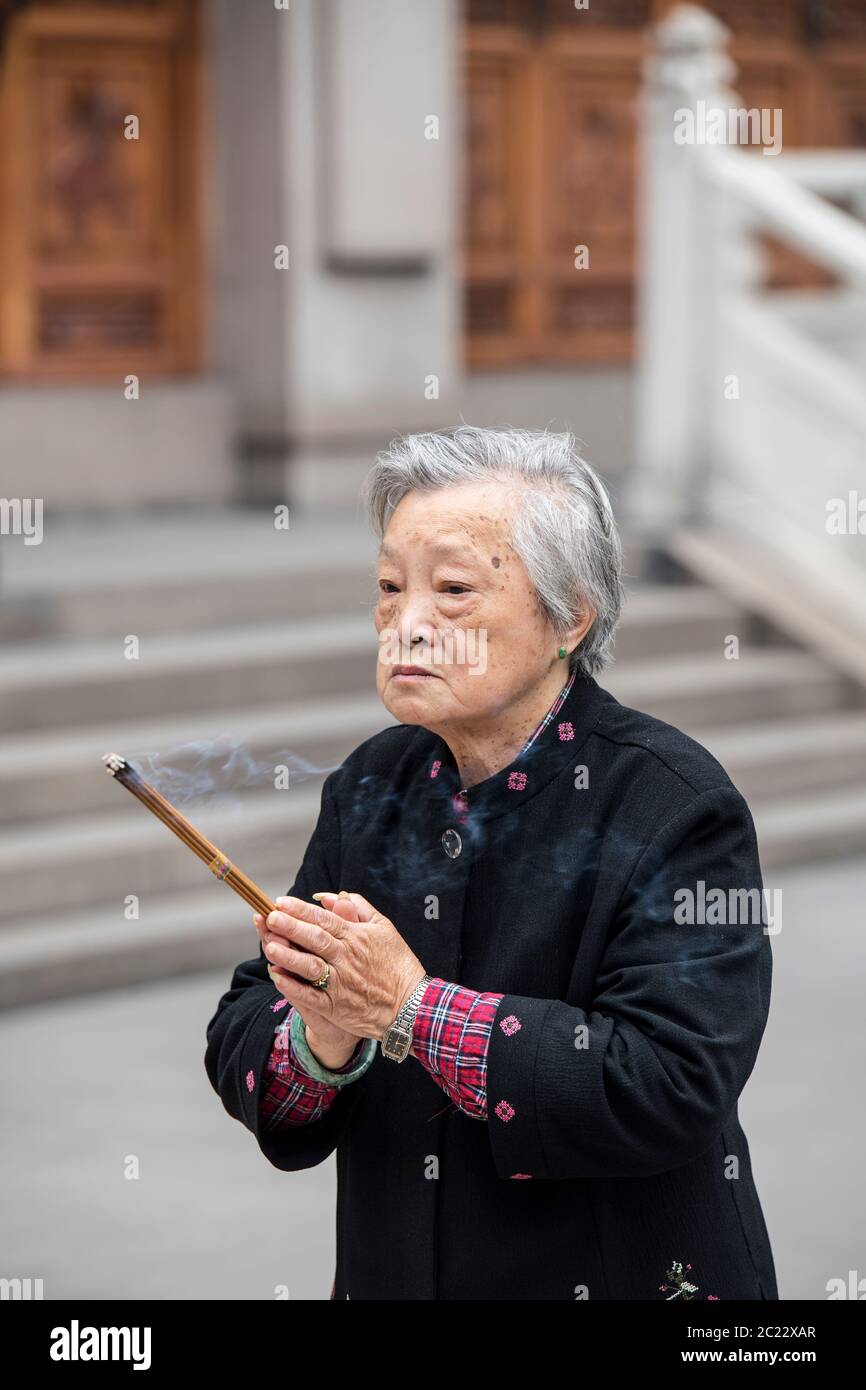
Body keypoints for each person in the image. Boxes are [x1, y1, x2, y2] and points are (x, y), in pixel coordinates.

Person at [205, 425, 778, 1301]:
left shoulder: (675, 801)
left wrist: (409, 1008)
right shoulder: (375, 782)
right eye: (390, 588)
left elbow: (671, 1081)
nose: (409, 623)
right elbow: (251, 1021)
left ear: (569, 616)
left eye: (455, 589)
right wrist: (323, 1035)